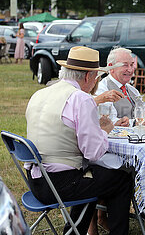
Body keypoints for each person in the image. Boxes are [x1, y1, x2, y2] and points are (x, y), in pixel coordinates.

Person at [25, 46, 133, 235]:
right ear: (88, 77)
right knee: (121, 179)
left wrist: (93, 128)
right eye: (96, 77)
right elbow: (92, 152)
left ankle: (75, 230)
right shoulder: (80, 99)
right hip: (60, 185)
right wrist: (104, 131)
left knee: (92, 176)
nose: (96, 82)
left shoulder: (41, 93)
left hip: (36, 180)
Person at [95, 47, 141, 126]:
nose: (130, 70)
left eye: (132, 64)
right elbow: (110, 120)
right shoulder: (102, 89)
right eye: (125, 65)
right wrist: (134, 122)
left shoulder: (133, 90)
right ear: (111, 67)